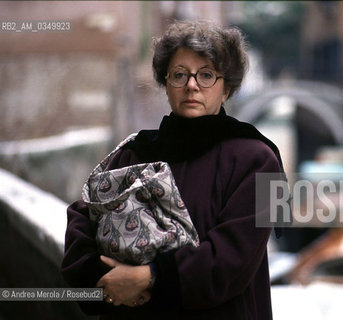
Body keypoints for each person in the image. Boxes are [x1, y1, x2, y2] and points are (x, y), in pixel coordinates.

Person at [61, 20, 285, 319]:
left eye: (206, 75)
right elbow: (82, 220)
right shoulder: (134, 153)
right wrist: (105, 279)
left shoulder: (258, 160)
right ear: (166, 83)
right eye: (180, 75)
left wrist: (150, 277)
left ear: (226, 88)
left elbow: (232, 260)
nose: (191, 85)